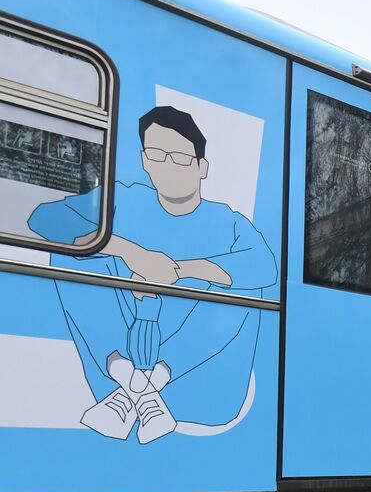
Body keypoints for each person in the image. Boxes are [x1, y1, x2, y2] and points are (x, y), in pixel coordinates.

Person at [27, 105, 277, 443]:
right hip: (114, 374)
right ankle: (130, 381)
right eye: (157, 154)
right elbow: (44, 219)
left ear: (203, 168)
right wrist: (132, 253)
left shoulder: (228, 222)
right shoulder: (125, 198)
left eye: (180, 157)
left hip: (199, 384)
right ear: (145, 161)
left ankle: (148, 386)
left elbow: (265, 265)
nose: (167, 167)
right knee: (71, 251)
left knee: (251, 288)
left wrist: (176, 273)